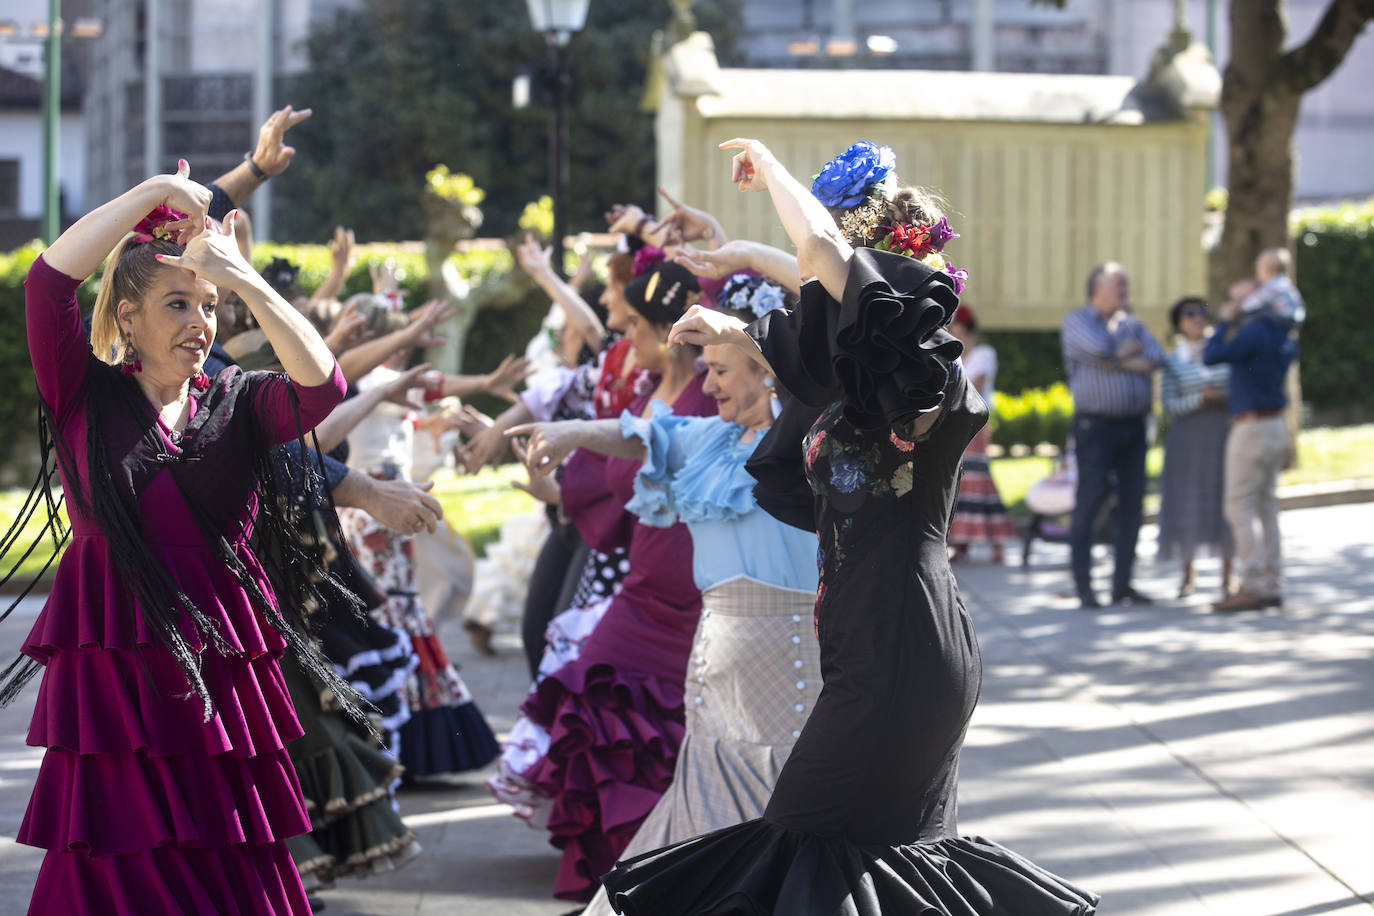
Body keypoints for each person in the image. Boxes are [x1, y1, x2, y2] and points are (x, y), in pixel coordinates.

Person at [601, 140, 1097, 914]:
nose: (834, 306)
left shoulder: (935, 380)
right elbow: (822, 307)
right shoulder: (861, 391)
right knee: (875, 868)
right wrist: (738, 297)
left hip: (904, 644)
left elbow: (827, 256)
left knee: (800, 842)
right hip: (871, 640)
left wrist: (768, 167)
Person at [11, 163, 351, 913]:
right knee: (119, 860)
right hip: (112, 683)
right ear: (127, 318)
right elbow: (47, 285)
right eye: (176, 304)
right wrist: (151, 193)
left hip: (220, 673)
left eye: (209, 305)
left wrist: (248, 282)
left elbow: (324, 390)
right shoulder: (81, 391)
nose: (200, 323)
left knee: (226, 859)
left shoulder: (242, 401)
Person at [513, 276, 821, 916]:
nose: (707, 386)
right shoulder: (709, 442)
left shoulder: (805, 442)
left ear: (768, 371)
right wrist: (571, 435)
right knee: (701, 812)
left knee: (782, 813)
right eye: (706, 371)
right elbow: (641, 436)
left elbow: (821, 366)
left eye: (720, 370)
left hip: (790, 668)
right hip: (712, 667)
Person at [487, 260, 718, 903]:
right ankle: (619, 876)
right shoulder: (643, 396)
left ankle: (673, 870)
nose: (626, 336)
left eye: (636, 325)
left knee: (673, 738)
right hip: (640, 590)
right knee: (596, 709)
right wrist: (554, 488)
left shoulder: (714, 396)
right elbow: (607, 492)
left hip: (699, 600)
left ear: (668, 329)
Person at [1060, 261, 1164, 608]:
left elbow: (1155, 357)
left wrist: (1115, 360)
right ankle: (1084, 586)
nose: (1125, 291)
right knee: (1090, 502)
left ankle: (1122, 584)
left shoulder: (1132, 324)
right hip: (1096, 426)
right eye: (1119, 284)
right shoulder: (1076, 321)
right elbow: (1099, 349)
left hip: (1133, 426)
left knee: (1133, 505)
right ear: (1097, 289)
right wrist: (1123, 354)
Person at [1204, 250, 1301, 613]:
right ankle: (1272, 582)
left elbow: (1213, 355)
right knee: (1266, 506)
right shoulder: (1285, 333)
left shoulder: (1256, 330)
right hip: (1276, 424)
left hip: (1251, 428)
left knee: (1239, 506)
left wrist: (1226, 317)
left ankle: (1252, 584)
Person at [1157, 296, 1233, 598]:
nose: (1197, 318)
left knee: (1225, 499)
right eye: (1189, 314)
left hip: (1222, 434)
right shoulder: (1173, 360)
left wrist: (1219, 398)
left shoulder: (1224, 349)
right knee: (1186, 501)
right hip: (1186, 439)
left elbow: (1237, 387)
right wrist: (1200, 399)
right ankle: (1186, 573)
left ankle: (1229, 575)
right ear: (1179, 322)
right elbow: (1168, 406)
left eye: (1202, 312)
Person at [947, 303, 1017, 563]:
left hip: (975, 424)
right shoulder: (951, 356)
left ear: (971, 333)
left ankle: (997, 541)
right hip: (954, 425)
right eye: (953, 332)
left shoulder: (984, 354)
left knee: (979, 483)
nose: (957, 338)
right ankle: (961, 542)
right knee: (959, 484)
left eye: (961, 333)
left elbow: (973, 387)